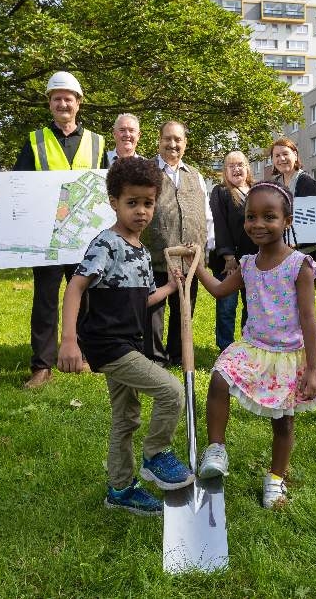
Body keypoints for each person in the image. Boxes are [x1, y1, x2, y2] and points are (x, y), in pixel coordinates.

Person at [57, 157, 193, 515]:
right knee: (171, 391)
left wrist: (170, 287)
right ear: (113, 202)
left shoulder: (142, 252)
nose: (141, 211)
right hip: (108, 344)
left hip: (130, 342)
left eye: (148, 203)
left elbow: (144, 298)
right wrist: (68, 340)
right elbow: (76, 285)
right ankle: (155, 454)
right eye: (132, 203)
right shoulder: (107, 243)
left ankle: (119, 489)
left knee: (126, 417)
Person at [189, 182, 316, 509]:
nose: (258, 224)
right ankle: (217, 449)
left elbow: (310, 319)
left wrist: (312, 369)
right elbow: (218, 290)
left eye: (269, 216)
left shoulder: (300, 265)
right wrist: (196, 263)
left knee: (282, 421)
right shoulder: (247, 265)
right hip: (253, 348)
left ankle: (276, 479)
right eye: (251, 216)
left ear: (287, 221)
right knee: (218, 377)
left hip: (288, 356)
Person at [11, 71, 108, 389]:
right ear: (49, 104)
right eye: (57, 98)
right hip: (46, 236)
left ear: (78, 103)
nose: (63, 103)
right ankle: (42, 365)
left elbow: (107, 188)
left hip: (85, 236)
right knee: (45, 300)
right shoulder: (35, 140)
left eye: (69, 98)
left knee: (87, 297)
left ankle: (83, 357)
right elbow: (19, 184)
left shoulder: (97, 142)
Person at [141, 120, 214, 367]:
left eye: (178, 140)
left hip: (189, 258)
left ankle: (178, 353)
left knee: (185, 308)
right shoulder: (146, 170)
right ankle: (154, 358)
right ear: (159, 140)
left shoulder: (195, 175)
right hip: (154, 255)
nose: (173, 144)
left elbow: (206, 214)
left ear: (185, 143)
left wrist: (206, 248)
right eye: (168, 139)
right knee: (154, 311)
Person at [209, 151, 257, 351]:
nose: (237, 169)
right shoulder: (220, 192)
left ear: (247, 167)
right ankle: (225, 348)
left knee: (252, 306)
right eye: (231, 165)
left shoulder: (257, 189)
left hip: (255, 259)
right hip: (228, 262)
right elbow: (219, 225)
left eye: (240, 164)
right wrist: (229, 257)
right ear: (225, 171)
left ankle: (249, 344)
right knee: (227, 307)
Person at [269, 138, 316, 264]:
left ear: (295, 155)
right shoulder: (276, 183)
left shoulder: (306, 181)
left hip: (304, 254)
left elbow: (310, 219)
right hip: (281, 252)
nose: (281, 159)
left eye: (285, 154)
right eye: (277, 155)